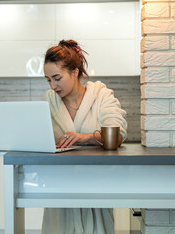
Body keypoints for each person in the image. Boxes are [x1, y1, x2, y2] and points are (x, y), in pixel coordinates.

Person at [42, 40, 128, 234]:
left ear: (75, 72)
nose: (53, 85)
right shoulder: (50, 100)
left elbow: (118, 134)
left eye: (57, 78)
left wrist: (84, 137)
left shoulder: (101, 96)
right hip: (59, 187)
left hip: (96, 185)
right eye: (48, 80)